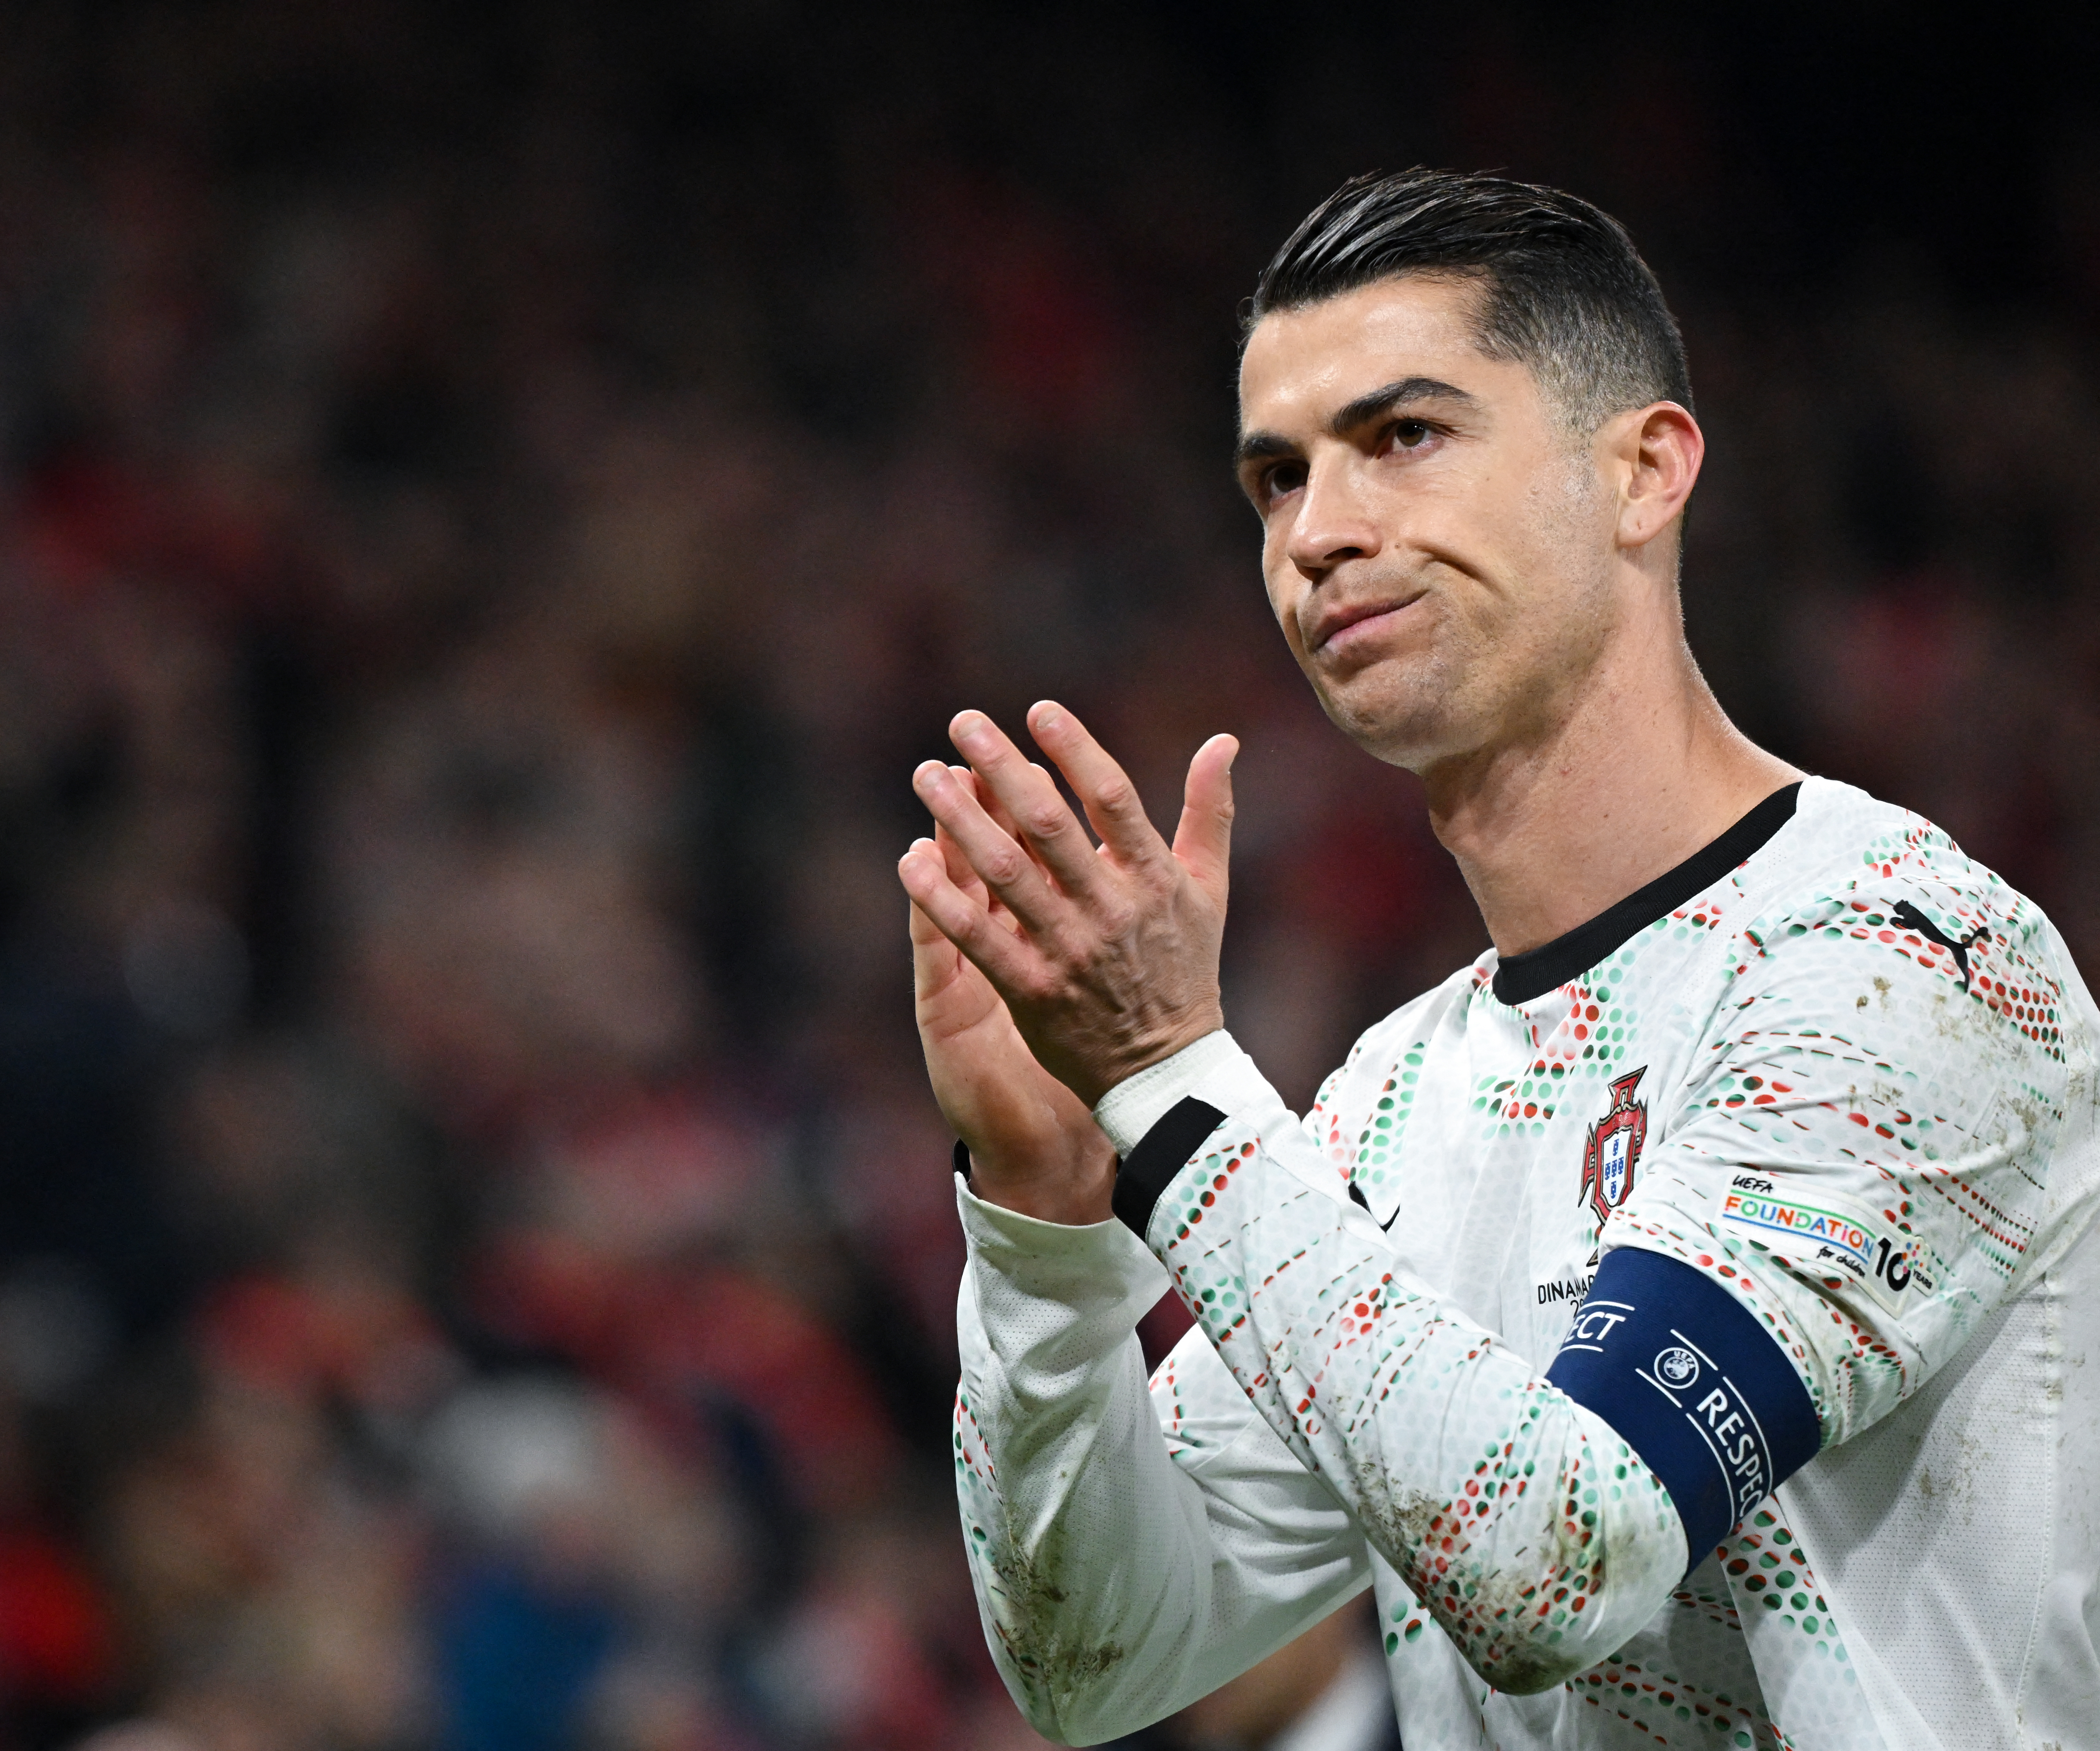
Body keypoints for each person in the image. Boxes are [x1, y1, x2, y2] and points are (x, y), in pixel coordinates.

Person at [897, 169, 2098, 1751]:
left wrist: (1169, 1085)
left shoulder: (1900, 961)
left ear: (1643, 472)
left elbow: (1559, 1559)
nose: (1318, 535)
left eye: (1404, 437)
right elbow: (1099, 1660)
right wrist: (1047, 1230)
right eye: (1274, 480)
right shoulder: (1401, 1098)